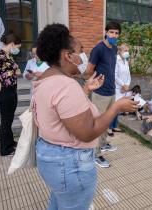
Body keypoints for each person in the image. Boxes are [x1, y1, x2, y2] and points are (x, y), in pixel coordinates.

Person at [33, 24, 138, 210]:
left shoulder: (45, 79)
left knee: (59, 203)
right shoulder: (66, 85)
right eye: (81, 51)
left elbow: (61, 110)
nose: (84, 57)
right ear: (67, 55)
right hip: (70, 164)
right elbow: (87, 133)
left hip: (51, 157)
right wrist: (116, 108)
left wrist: (86, 89)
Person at [83, 21, 121, 168]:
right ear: (106, 32)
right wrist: (83, 80)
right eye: (111, 32)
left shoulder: (114, 48)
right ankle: (96, 154)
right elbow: (89, 71)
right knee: (99, 123)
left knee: (108, 122)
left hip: (112, 91)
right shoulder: (98, 49)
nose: (114, 35)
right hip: (100, 92)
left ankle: (103, 144)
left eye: (117, 33)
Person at [109, 43, 131, 136]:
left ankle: (114, 126)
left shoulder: (125, 60)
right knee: (113, 108)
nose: (127, 52)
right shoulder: (116, 60)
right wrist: (122, 85)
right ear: (120, 51)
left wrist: (127, 85)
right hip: (117, 88)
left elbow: (129, 74)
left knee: (118, 109)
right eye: (125, 50)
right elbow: (115, 75)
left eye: (128, 50)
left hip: (124, 88)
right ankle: (109, 127)